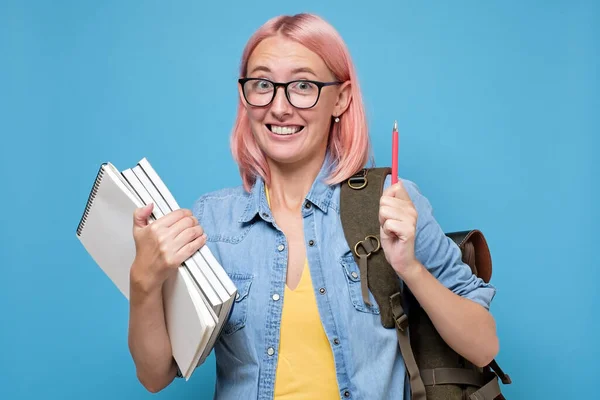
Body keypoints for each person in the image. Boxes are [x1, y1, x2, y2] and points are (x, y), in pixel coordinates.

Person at [126, 12, 499, 400]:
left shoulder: (389, 201)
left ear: (341, 98)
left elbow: (483, 345)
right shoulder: (213, 222)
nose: (280, 107)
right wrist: (144, 280)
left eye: (302, 85)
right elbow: (156, 375)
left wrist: (410, 269)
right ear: (245, 96)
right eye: (262, 84)